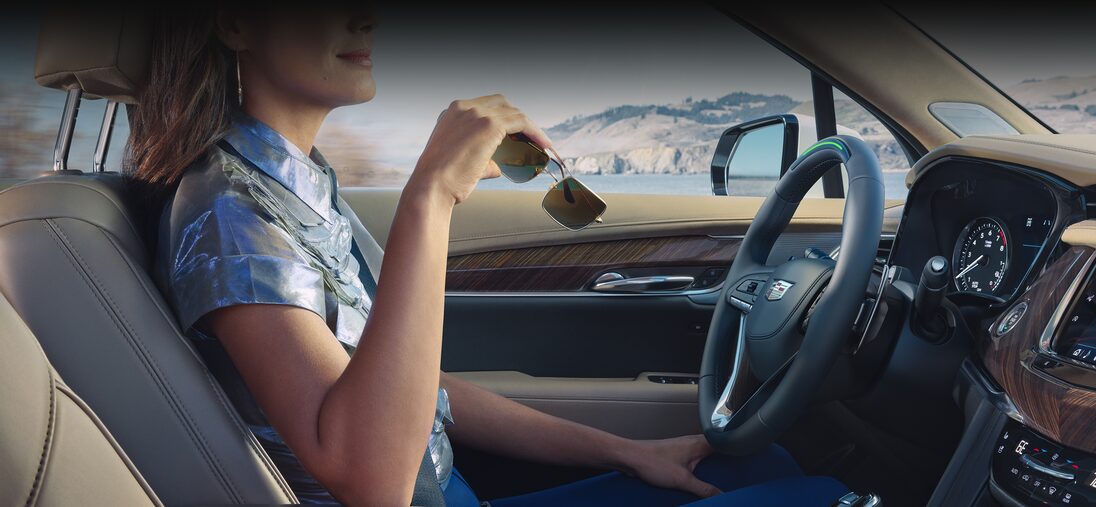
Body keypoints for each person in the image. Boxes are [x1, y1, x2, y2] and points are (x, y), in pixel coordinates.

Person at [134, 5, 849, 506]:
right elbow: (373, 479)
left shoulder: (297, 180)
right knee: (821, 495)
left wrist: (625, 448)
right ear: (234, 21)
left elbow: (418, 392)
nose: (367, 15)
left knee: (759, 463)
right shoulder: (227, 211)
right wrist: (430, 195)